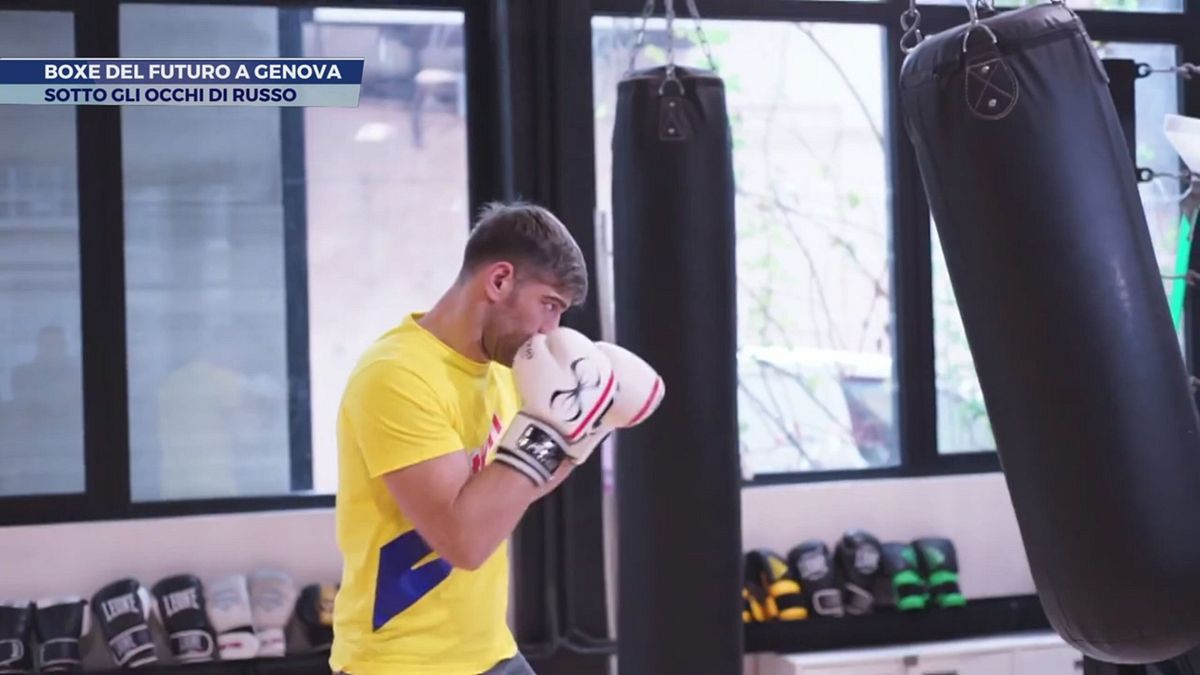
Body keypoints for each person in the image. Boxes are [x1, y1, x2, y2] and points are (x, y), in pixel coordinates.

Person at [330, 202, 664, 675]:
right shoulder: (397, 376)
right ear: (500, 280)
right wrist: (549, 429)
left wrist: (588, 427)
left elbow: (511, 493)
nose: (552, 330)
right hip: (401, 662)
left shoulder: (507, 372)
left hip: (489, 651)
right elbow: (464, 542)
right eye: (549, 305)